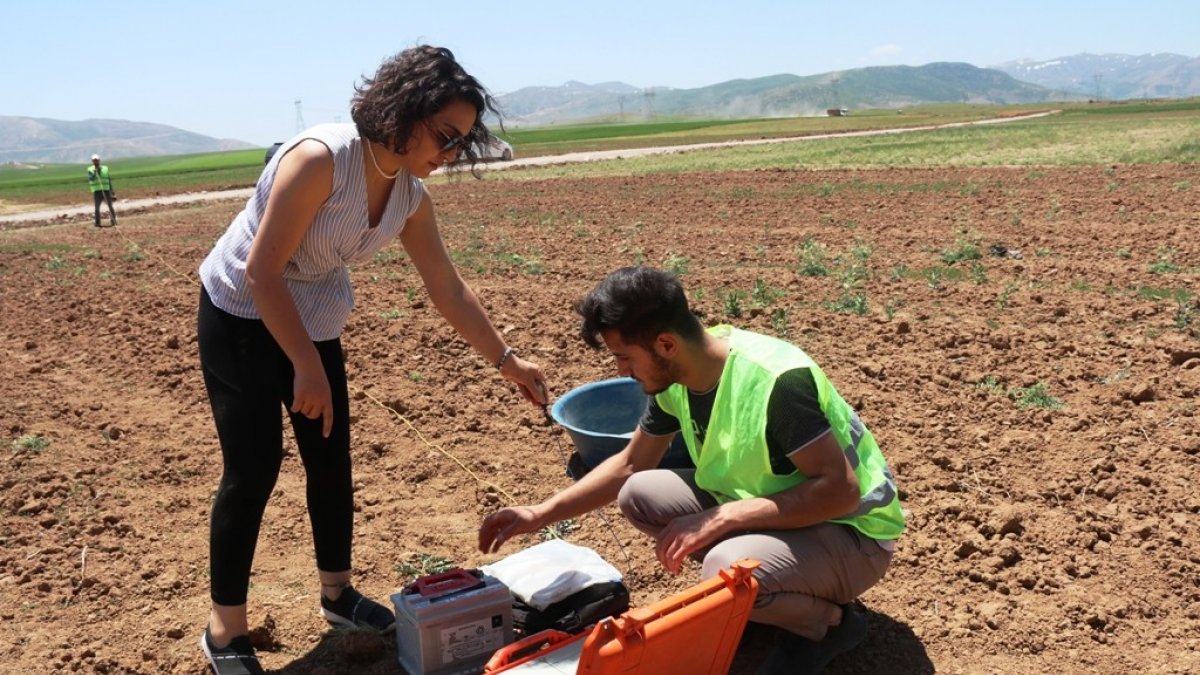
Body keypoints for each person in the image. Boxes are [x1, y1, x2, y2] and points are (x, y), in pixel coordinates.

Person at [196, 46, 547, 675]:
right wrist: (304, 366)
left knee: (330, 461)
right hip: (242, 310)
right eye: (445, 135)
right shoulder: (321, 160)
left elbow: (448, 289)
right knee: (252, 469)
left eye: (461, 141)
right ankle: (225, 632)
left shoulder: (409, 195)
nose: (451, 151)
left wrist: (509, 361)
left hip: (311, 314)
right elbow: (262, 270)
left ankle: (337, 594)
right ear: (404, 112)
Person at [478, 266, 904, 675]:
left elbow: (840, 493)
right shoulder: (681, 375)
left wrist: (723, 517)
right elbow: (629, 465)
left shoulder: (775, 382)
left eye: (624, 357)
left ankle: (825, 625)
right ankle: (764, 590)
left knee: (722, 566)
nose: (621, 371)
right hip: (782, 510)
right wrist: (539, 513)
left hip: (853, 534)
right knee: (641, 493)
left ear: (665, 344)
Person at [86, 153, 117, 227]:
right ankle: (97, 223)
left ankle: (113, 221)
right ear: (92, 161)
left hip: (106, 190)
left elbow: (108, 180)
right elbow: (91, 178)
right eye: (94, 160)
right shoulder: (90, 169)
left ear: (99, 160)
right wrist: (95, 172)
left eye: (97, 160)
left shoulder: (105, 168)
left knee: (110, 206)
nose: (96, 162)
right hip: (97, 191)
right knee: (97, 208)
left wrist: (112, 190)